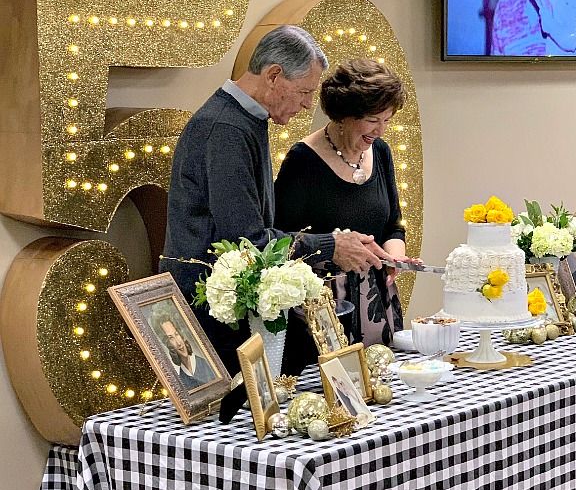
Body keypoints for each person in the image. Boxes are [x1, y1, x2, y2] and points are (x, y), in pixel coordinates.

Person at [160, 26, 388, 375]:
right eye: (304, 91)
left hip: (225, 308)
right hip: (209, 318)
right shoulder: (227, 130)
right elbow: (247, 241)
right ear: (274, 76)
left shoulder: (244, 120)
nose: (309, 103)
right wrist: (331, 246)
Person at [275, 58, 419, 369]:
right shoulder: (303, 162)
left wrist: (397, 258)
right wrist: (334, 247)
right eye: (371, 120)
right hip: (322, 312)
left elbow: (393, 226)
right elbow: (279, 243)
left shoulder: (380, 152)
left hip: (377, 305)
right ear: (343, 115)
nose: (380, 131)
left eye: (387, 120)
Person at [150, 310, 215, 390]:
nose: (178, 343)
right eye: (171, 338)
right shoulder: (180, 380)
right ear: (167, 343)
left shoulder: (206, 364)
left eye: (176, 334)